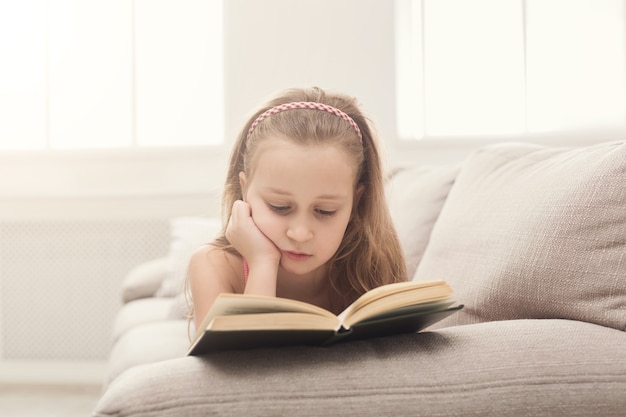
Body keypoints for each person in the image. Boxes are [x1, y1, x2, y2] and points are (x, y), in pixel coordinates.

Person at [187, 87, 407, 331]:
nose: (300, 233)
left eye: (325, 211)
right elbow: (241, 366)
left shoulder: (371, 264)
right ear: (244, 191)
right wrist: (262, 262)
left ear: (357, 202)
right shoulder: (213, 266)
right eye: (279, 207)